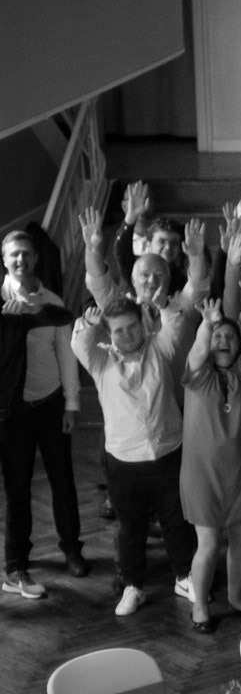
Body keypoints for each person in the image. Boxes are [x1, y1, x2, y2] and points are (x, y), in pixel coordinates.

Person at [72, 297, 198, 615]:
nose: (126, 334)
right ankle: (133, 586)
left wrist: (163, 303)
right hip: (124, 460)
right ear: (109, 334)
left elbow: (175, 325)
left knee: (177, 522)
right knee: (131, 528)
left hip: (168, 452)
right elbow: (79, 344)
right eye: (118, 330)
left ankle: (185, 577)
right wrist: (90, 323)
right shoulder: (101, 359)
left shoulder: (159, 349)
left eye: (131, 327)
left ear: (142, 324)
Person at [0, 231, 85, 586]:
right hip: (12, 412)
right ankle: (16, 562)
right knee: (17, 489)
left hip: (50, 405)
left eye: (26, 254)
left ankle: (72, 549)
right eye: (14, 254)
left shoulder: (53, 303)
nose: (21, 260)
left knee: (63, 482)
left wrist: (71, 404)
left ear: (35, 258)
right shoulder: (0, 303)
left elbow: (67, 356)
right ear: (4, 260)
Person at [180, 300, 241, 630]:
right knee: (208, 544)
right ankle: (200, 606)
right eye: (218, 336)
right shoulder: (197, 372)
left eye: (231, 336)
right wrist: (208, 323)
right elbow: (199, 347)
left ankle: (234, 596)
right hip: (202, 475)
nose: (224, 341)